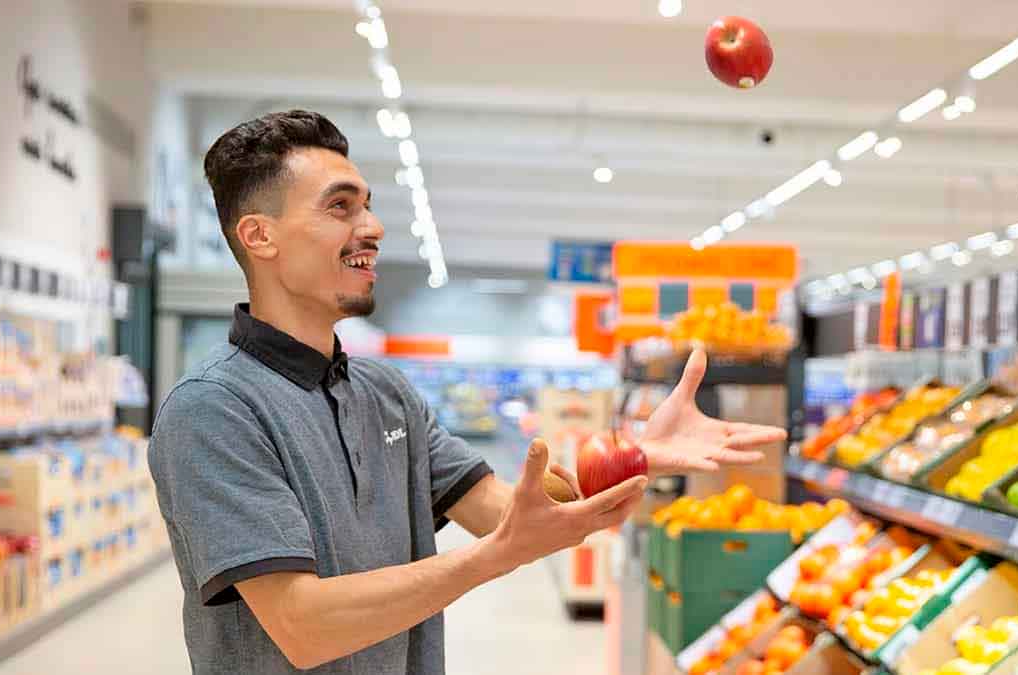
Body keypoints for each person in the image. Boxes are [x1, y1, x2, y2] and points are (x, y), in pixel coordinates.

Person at [147, 109, 786, 674]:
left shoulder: (385, 393)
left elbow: (509, 512)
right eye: (340, 206)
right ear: (260, 236)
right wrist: (493, 560)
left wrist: (632, 453)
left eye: (367, 204)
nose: (371, 227)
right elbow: (303, 625)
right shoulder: (215, 409)